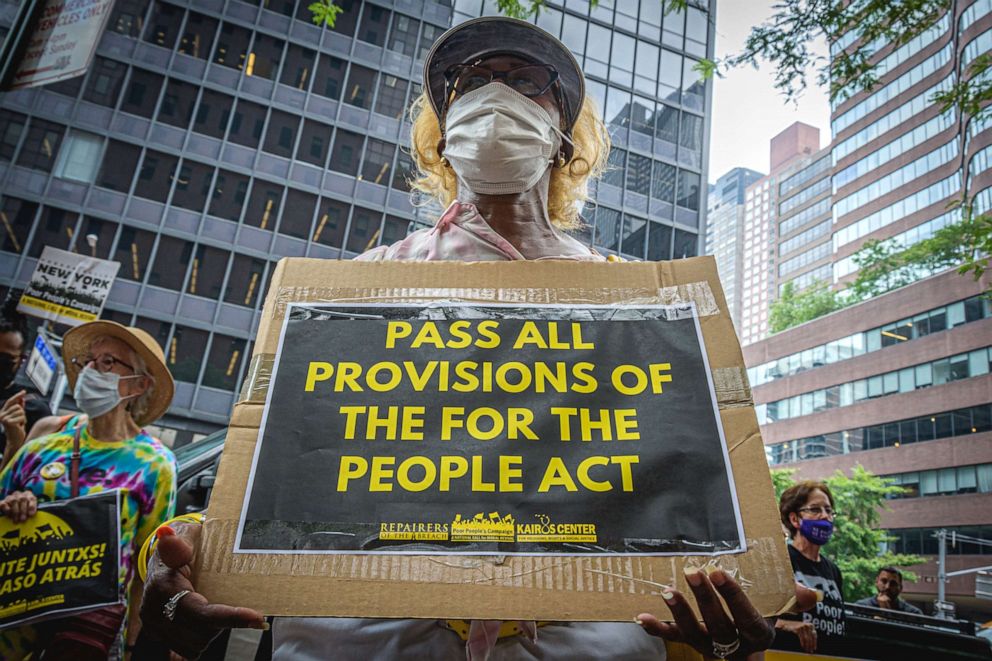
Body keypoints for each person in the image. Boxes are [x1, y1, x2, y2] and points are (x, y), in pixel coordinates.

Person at [139, 16, 815, 661]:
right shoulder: (354, 289)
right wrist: (198, 565)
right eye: (471, 81)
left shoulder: (645, 309)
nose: (496, 94)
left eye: (527, 81)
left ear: (564, 136)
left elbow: (683, 494)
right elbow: (280, 479)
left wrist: (726, 615)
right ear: (442, 132)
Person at [0, 321, 178, 659]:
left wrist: (135, 639)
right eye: (89, 361)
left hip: (88, 633)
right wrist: (14, 505)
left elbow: (148, 563)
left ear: (139, 384)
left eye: (108, 362)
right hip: (13, 618)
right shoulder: (45, 441)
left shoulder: (155, 464)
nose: (92, 369)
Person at [775, 481, 846, 654]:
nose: (825, 516)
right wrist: (788, 625)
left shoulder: (833, 570)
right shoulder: (780, 560)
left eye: (828, 511)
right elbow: (755, 618)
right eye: (815, 510)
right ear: (794, 519)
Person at [0, 299, 51, 464]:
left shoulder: (31, 410)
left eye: (4, 359)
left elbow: (32, 478)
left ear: (22, 360)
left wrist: (15, 443)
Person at [855, 567, 923, 615]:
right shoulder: (861, 607)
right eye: (884, 581)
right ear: (876, 582)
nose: (887, 587)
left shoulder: (913, 613)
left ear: (900, 588)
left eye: (893, 583)